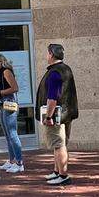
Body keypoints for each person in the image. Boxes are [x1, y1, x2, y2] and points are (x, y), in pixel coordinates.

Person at [35, 43, 77, 186]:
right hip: (66, 114)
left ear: (51, 54)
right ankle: (57, 171)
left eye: (47, 53)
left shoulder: (54, 73)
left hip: (55, 116)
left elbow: (52, 98)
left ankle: (63, 175)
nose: (46, 56)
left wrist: (48, 117)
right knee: (59, 145)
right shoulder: (66, 69)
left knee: (59, 145)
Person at [0, 52, 24, 174]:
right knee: (8, 135)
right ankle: (12, 160)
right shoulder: (1, 72)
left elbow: (15, 88)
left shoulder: (6, 71)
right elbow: (5, 89)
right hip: (3, 103)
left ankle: (19, 163)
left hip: (9, 104)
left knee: (12, 134)